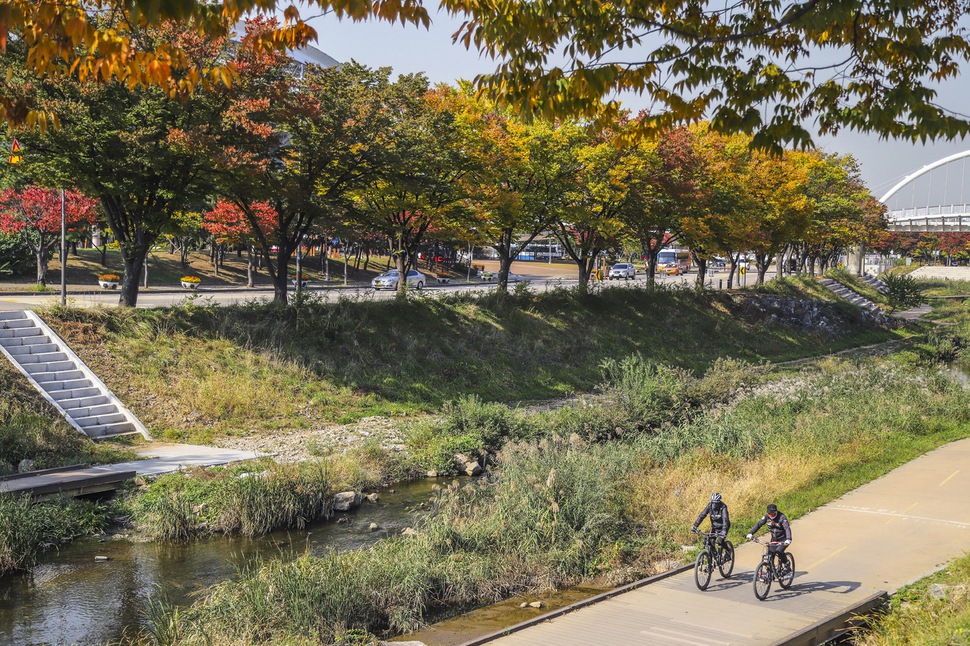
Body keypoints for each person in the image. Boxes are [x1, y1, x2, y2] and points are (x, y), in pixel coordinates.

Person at [746, 503, 792, 573]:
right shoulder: (766, 517)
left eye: (773, 514)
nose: (771, 516)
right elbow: (758, 524)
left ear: (776, 512)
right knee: (770, 554)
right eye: (769, 514)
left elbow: (787, 528)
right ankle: (770, 572)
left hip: (783, 540)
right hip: (774, 540)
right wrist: (751, 533)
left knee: (779, 551)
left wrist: (788, 539)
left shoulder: (782, 517)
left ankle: (786, 564)